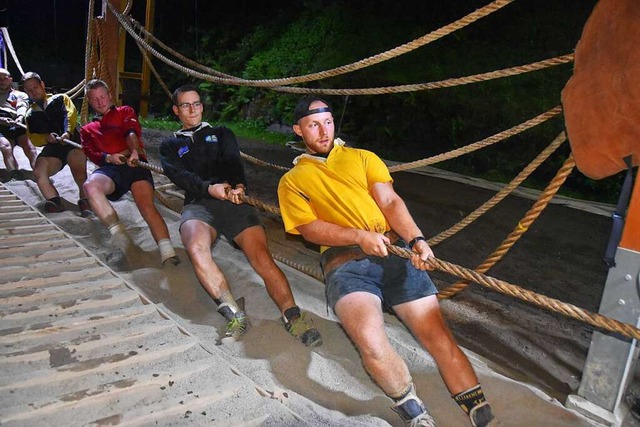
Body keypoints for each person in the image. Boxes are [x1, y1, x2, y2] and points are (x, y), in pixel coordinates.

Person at [278, 97, 495, 427]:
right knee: (372, 343)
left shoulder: (363, 158)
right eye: (313, 125)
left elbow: (390, 201)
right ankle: (409, 404)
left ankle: (477, 406)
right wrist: (358, 236)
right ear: (298, 130)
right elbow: (309, 229)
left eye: (328, 122)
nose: (323, 130)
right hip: (345, 264)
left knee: (438, 337)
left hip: (394, 253)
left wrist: (417, 240)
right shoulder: (292, 180)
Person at [159, 84, 322, 345]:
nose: (193, 110)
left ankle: (293, 317)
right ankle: (234, 313)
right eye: (186, 105)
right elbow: (178, 175)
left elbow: (234, 163)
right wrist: (208, 188)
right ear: (176, 110)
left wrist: (239, 186)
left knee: (260, 255)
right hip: (199, 203)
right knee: (195, 247)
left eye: (197, 104)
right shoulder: (170, 144)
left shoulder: (221, 133)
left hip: (233, 201)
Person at [80, 79, 178, 266]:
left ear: (110, 95)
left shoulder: (125, 111)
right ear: (90, 102)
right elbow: (91, 153)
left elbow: (131, 132)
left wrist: (133, 152)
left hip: (135, 163)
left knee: (146, 206)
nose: (100, 102)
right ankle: (120, 235)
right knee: (90, 187)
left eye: (103, 96)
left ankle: (168, 252)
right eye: (95, 99)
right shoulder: (87, 129)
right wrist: (109, 158)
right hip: (110, 167)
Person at [21, 71, 92, 216]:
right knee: (39, 172)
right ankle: (55, 202)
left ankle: (85, 201)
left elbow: (70, 115)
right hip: (53, 148)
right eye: (29, 90)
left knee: (79, 172)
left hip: (72, 142)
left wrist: (67, 132)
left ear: (42, 85)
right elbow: (34, 137)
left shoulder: (60, 99)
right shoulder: (30, 114)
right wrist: (46, 138)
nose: (33, 92)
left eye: (35, 87)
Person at [0, 68, 37, 179]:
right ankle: (13, 174)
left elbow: (22, 106)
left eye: (4, 78)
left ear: (10, 79)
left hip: (18, 122)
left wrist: (20, 117)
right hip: (2, 125)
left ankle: (38, 172)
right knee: (5, 147)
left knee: (30, 148)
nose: (2, 81)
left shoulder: (20, 94)